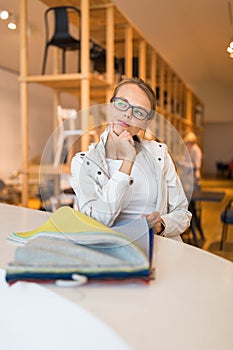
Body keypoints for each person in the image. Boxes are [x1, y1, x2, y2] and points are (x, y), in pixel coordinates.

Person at [70, 77, 191, 241]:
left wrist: (161, 225)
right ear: (110, 108)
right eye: (121, 104)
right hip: (109, 253)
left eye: (139, 112)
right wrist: (127, 162)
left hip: (158, 248)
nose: (127, 114)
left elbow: (182, 213)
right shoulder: (82, 163)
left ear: (146, 123)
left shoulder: (159, 155)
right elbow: (97, 221)